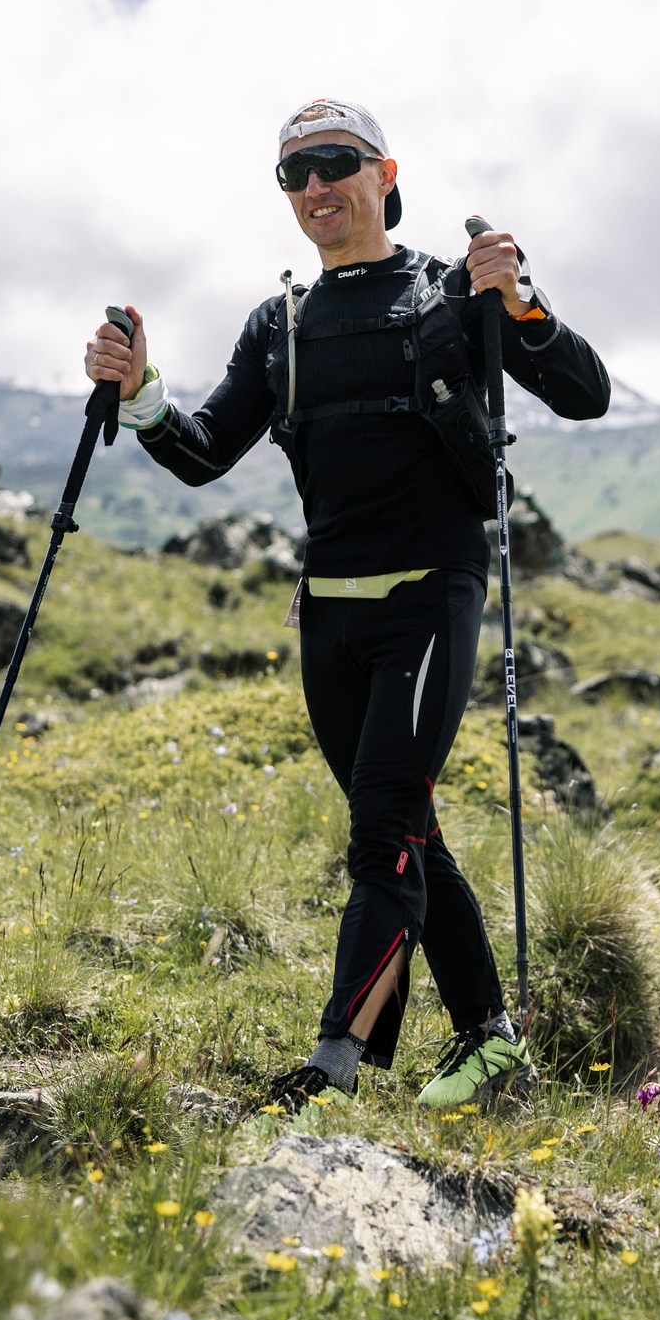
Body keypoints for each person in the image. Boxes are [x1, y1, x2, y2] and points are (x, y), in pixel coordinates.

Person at [81, 98, 611, 1123]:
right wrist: (140, 392)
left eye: (334, 163)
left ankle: (339, 1062)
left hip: (430, 598)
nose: (315, 186)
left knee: (379, 834)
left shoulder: (457, 292)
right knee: (405, 827)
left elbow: (584, 394)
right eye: (294, 174)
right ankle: (489, 1036)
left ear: (383, 172)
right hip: (327, 617)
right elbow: (200, 453)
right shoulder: (278, 324)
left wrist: (526, 305)